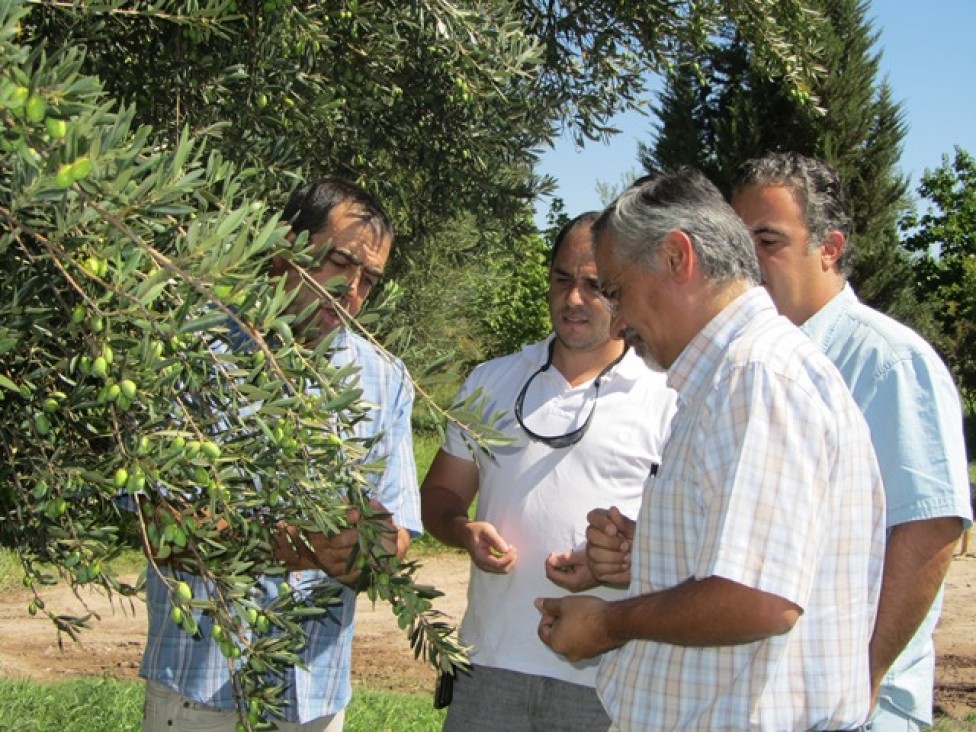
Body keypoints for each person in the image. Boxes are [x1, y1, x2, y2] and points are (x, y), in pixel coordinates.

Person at [536, 167, 887, 731]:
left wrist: (608, 624)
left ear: (677, 257)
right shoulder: (732, 376)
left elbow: (759, 599)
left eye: (617, 291)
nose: (618, 322)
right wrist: (650, 554)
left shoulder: (756, 378)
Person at [140, 178, 421, 732]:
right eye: (342, 262)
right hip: (199, 697)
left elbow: (399, 531)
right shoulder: (191, 352)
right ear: (284, 247)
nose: (353, 292)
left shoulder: (385, 380)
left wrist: (374, 549)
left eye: (369, 279)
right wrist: (300, 545)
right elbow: (161, 527)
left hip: (315, 702)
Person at [730, 152, 972, 730]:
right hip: (762, 702)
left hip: (854, 711)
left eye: (768, 239)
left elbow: (930, 527)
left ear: (830, 248)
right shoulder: (747, 365)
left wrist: (862, 675)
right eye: (739, 243)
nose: (750, 262)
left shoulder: (887, 362)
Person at [420, 212, 677, 731]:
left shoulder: (668, 395)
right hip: (488, 667)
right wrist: (460, 529)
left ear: (622, 291)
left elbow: (690, 543)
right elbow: (440, 495)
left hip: (607, 676)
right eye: (563, 279)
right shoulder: (492, 380)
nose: (574, 298)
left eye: (594, 285)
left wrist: (626, 556)